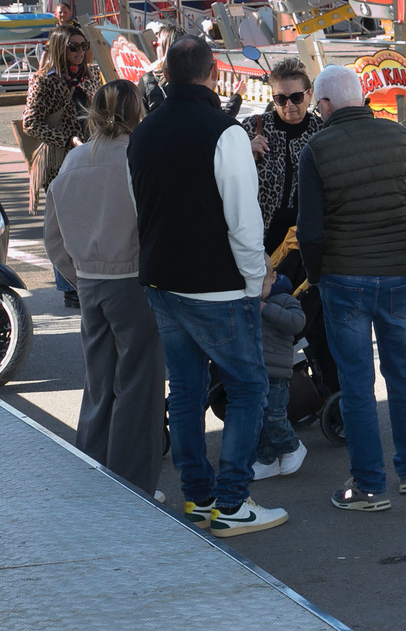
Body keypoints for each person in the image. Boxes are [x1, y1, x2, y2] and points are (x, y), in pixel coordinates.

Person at [128, 35, 286, 537]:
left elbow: (142, 207)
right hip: (215, 285)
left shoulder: (144, 130)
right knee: (248, 385)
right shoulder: (226, 132)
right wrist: (256, 276)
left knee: (187, 389)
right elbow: (243, 218)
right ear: (214, 74)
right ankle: (232, 500)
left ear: (168, 75)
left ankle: (197, 496)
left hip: (161, 278)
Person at [297, 64, 406, 511]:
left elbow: (311, 230)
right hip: (399, 274)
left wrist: (317, 277)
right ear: (360, 97)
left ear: (323, 104)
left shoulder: (315, 149)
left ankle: (368, 485)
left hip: (343, 278)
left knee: (357, 384)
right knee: (404, 374)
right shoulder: (402, 138)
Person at [43, 80, 164, 498]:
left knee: (98, 385)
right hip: (133, 281)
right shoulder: (137, 157)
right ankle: (132, 486)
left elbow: (53, 238)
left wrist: (80, 275)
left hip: (91, 283)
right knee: (139, 388)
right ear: (137, 112)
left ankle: (91, 474)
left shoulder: (74, 161)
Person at [24, 24, 101, 306]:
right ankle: (68, 285)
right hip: (59, 160)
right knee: (64, 225)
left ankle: (88, 279)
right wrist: (67, 140)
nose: (80, 52)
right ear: (59, 48)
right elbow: (30, 123)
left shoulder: (91, 77)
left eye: (83, 46)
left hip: (90, 156)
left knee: (90, 219)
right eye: (73, 47)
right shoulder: (44, 80)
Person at [241, 58, 323, 253]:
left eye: (296, 97)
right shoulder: (253, 127)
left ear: (309, 94)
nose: (288, 105)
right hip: (259, 235)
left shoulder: (321, 132)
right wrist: (243, 151)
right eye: (280, 99)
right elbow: (222, 172)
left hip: (305, 236)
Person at [252, 254, 307, 482]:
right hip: (254, 370)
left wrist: (265, 308)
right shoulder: (246, 303)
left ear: (273, 278)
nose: (255, 292)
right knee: (261, 418)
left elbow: (297, 323)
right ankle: (267, 460)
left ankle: (293, 445)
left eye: (261, 285)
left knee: (274, 416)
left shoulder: (283, 300)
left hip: (276, 371)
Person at [140, 26, 245, 117]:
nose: (153, 47)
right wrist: (237, 97)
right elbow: (219, 119)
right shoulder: (199, 83)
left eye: (156, 45)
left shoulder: (149, 81)